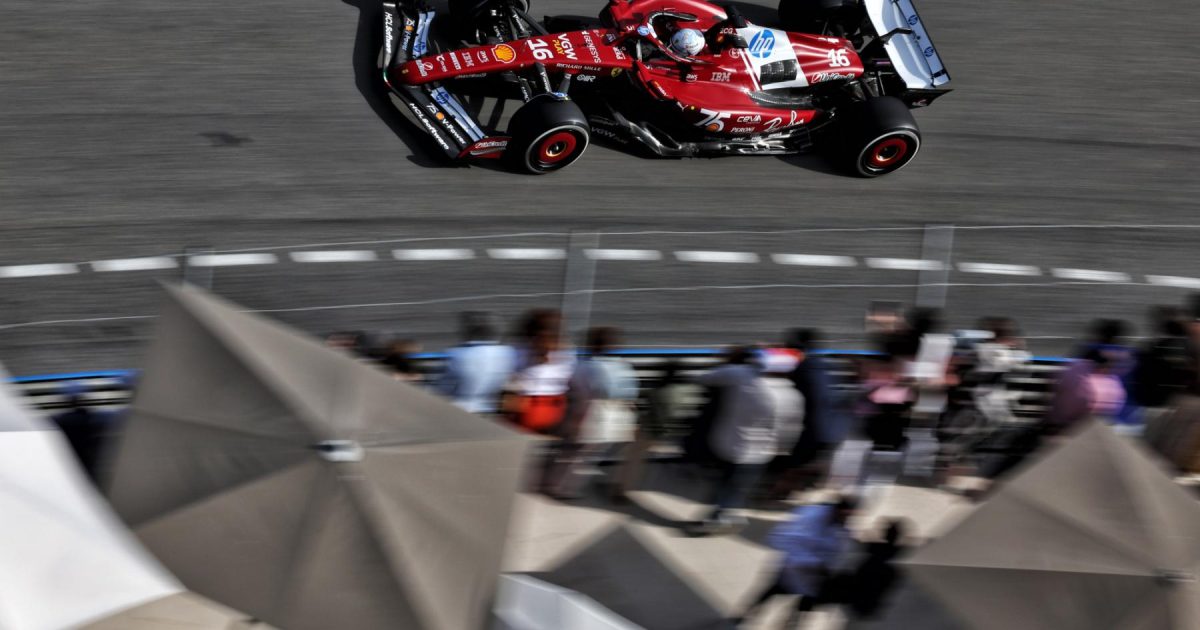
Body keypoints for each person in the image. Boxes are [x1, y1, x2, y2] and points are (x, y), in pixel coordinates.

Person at [686, 346, 781, 535]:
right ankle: (730, 513)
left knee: (726, 483)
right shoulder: (780, 385)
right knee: (738, 485)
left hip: (736, 445)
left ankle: (716, 519)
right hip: (763, 449)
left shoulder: (738, 374)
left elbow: (701, 378)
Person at [542, 327, 638, 500]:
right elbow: (631, 393)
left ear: (592, 345)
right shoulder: (624, 367)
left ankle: (556, 487)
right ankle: (569, 489)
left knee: (572, 454)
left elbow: (572, 389)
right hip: (614, 420)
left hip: (588, 415)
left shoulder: (585, 366)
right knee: (589, 457)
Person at [735, 496, 858, 626]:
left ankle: (790, 623)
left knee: (805, 601)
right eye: (845, 514)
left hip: (814, 574)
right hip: (793, 566)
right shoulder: (811, 515)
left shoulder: (839, 525)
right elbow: (784, 538)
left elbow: (837, 549)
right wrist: (813, 562)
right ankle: (746, 614)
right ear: (838, 509)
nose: (846, 518)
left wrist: (828, 566)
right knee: (772, 591)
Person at [614, 360, 687, 497]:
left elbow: (648, 412)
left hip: (646, 430)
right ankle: (624, 488)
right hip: (657, 433)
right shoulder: (678, 392)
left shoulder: (657, 392)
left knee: (632, 462)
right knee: (637, 462)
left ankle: (621, 491)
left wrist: (636, 414)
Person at [435, 312, 517, 414]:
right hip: (494, 409)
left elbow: (443, 389)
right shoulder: (508, 352)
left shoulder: (456, 354)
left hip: (462, 409)